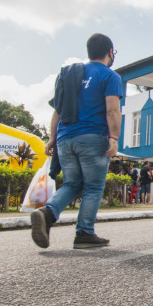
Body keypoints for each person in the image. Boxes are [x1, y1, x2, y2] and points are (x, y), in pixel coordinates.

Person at [31, 33, 122, 249]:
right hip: (92, 137)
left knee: (72, 184)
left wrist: (52, 138)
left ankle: (47, 212)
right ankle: (84, 233)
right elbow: (112, 110)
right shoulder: (110, 76)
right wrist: (114, 138)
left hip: (65, 138)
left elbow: (57, 111)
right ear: (110, 52)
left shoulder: (69, 74)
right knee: (93, 187)